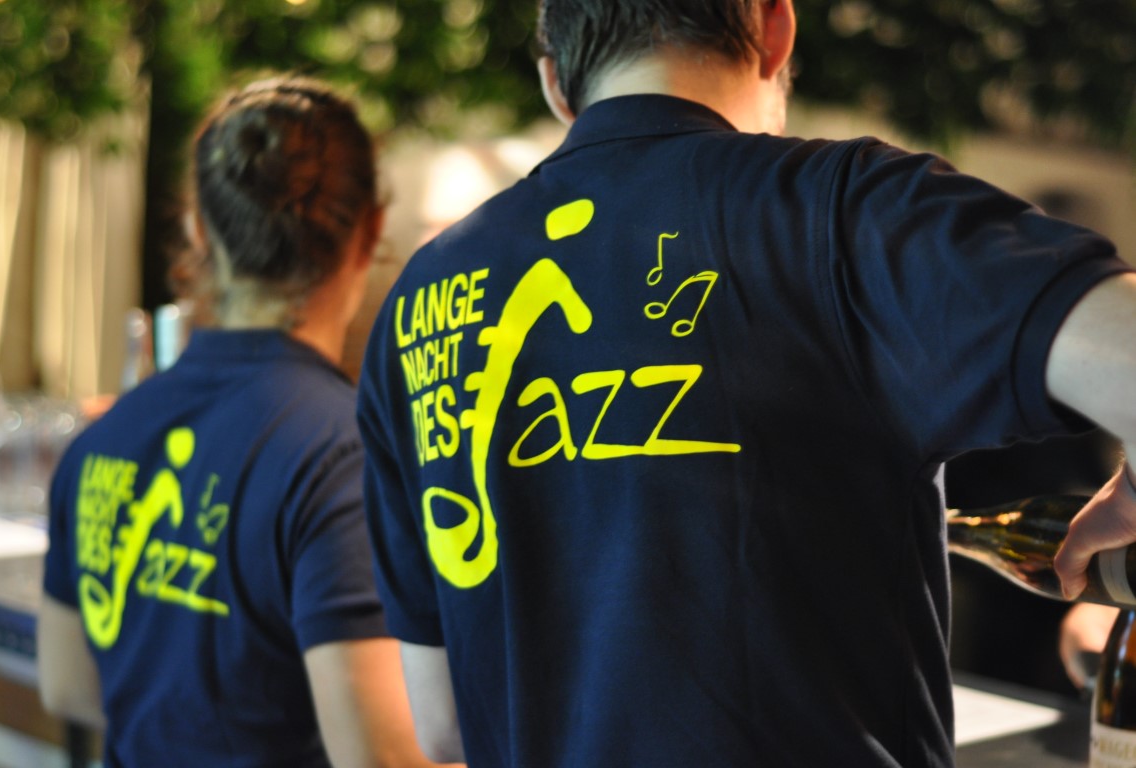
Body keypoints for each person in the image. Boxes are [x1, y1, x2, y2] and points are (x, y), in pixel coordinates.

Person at [355, 1, 1136, 765]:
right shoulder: (846, 210)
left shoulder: (421, 302)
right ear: (775, 28)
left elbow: (445, 724)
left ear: (556, 82)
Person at [38, 75, 456, 768]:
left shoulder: (105, 438)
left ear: (200, 230)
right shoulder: (342, 456)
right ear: (371, 230)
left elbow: (68, 684)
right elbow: (381, 758)